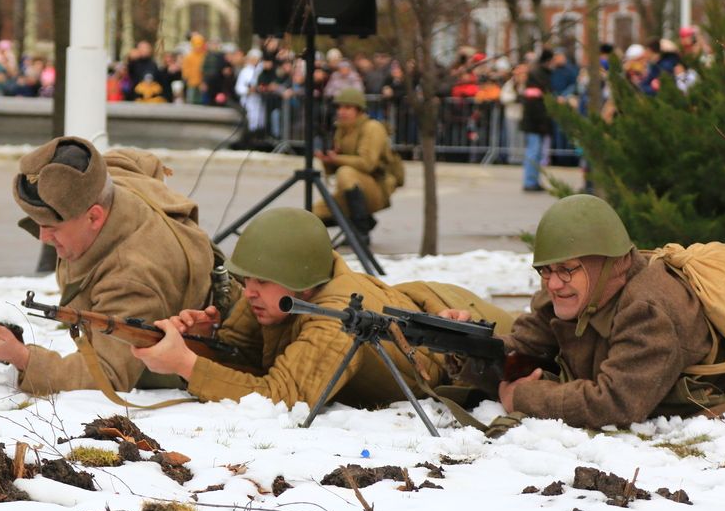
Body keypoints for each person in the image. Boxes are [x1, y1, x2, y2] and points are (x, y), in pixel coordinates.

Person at [456, 194, 725, 434]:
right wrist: (465, 342)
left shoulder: (649, 310)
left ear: (608, 264)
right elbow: (522, 346)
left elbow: (615, 403)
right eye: (546, 271)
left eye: (567, 269)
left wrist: (524, 397)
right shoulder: (569, 295)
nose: (553, 283)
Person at [132, 207, 513, 410]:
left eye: (260, 281)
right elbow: (245, 356)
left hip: (476, 328)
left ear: (301, 280)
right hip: (430, 310)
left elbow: (283, 399)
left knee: (554, 360)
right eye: (246, 280)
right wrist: (202, 343)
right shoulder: (275, 293)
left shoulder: (334, 318)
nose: (248, 292)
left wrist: (186, 364)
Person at [0, 136, 219, 396]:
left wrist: (22, 358)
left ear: (94, 216)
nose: (42, 238)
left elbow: (109, 376)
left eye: (52, 227)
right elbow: (137, 161)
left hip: (204, 350)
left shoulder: (131, 277)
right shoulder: (104, 182)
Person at [313, 87, 403, 244]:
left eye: (347, 107)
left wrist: (337, 159)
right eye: (339, 107)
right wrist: (327, 160)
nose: (342, 112)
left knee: (345, 172)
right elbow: (333, 170)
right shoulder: (342, 129)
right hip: (352, 187)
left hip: (376, 187)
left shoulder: (372, 128)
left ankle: (361, 233)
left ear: (359, 110)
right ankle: (363, 221)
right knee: (314, 214)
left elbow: (367, 164)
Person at [518, 49, 553, 192]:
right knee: (533, 151)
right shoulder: (536, 77)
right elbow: (534, 104)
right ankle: (530, 181)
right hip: (534, 122)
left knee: (537, 152)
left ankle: (533, 179)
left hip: (537, 121)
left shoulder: (540, 75)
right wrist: (541, 121)